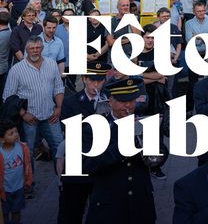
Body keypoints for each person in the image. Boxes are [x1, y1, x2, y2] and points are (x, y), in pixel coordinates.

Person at [81, 76, 159, 223]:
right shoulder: (92, 129)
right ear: (110, 102)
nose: (129, 106)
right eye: (123, 101)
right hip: (109, 206)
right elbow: (88, 165)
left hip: (140, 204)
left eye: (132, 101)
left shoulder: (144, 123)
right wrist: (122, 147)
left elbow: (158, 157)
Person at [57, 62, 110, 224]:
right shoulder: (71, 102)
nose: (96, 84)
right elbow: (71, 132)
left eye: (100, 80)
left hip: (102, 164)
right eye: (93, 80)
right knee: (72, 210)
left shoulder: (110, 99)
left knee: (103, 211)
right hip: (78, 164)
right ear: (84, 79)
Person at [3, 36, 63, 161]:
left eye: (38, 47)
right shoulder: (16, 70)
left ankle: (62, 179)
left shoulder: (51, 64)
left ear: (42, 48)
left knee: (60, 147)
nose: (35, 50)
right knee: (28, 153)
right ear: (26, 49)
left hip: (50, 115)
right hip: (29, 120)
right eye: (32, 48)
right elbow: (7, 97)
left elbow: (58, 87)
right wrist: (23, 114)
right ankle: (29, 180)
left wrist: (59, 107)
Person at [0, 120, 31, 224]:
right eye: (11, 134)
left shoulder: (23, 147)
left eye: (16, 132)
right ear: (2, 138)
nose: (15, 135)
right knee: (4, 213)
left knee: (16, 212)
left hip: (19, 188)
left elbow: (28, 166)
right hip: (4, 191)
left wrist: (28, 181)